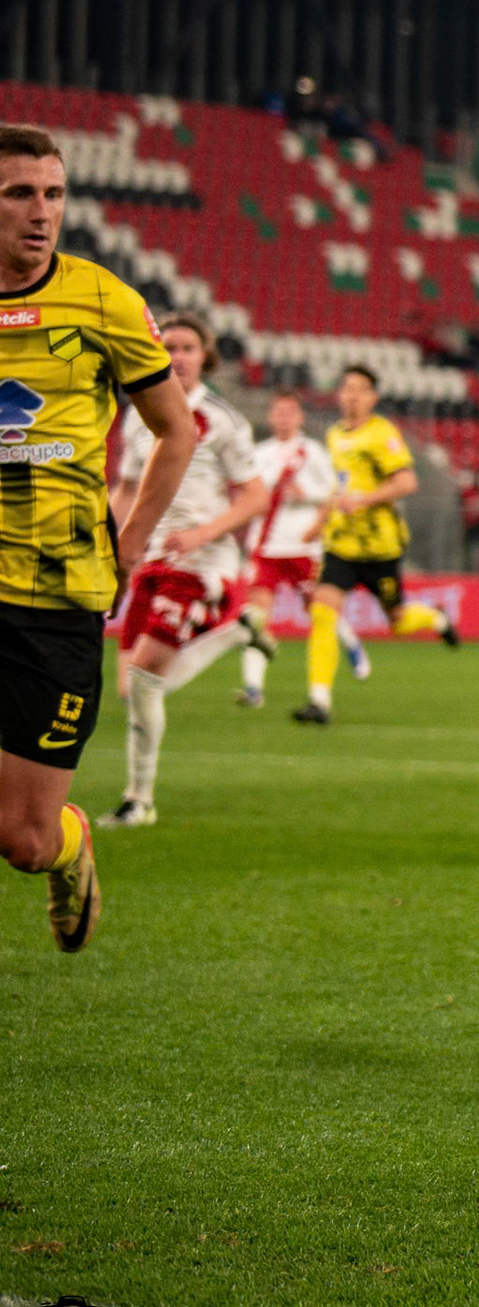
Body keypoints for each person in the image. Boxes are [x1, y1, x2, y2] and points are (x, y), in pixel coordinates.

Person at [0, 123, 195, 946]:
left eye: (53, 193)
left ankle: (70, 843)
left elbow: (176, 430)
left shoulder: (103, 299)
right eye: (19, 193)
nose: (41, 211)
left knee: (23, 839)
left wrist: (132, 540)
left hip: (56, 591)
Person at [96, 314, 279, 826]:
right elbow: (127, 489)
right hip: (152, 558)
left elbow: (256, 497)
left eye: (188, 348)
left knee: (145, 674)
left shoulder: (223, 420)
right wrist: (106, 543)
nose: (177, 356)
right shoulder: (138, 417)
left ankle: (139, 801)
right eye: (169, 347)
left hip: (202, 561)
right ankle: (237, 632)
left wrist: (203, 533)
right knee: (131, 688)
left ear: (205, 357)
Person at [293, 366, 459, 725]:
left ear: (373, 397)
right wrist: (318, 524)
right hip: (341, 545)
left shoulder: (382, 434)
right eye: (346, 388)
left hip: (380, 547)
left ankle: (437, 617)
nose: (351, 395)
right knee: (323, 613)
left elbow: (407, 482)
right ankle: (319, 701)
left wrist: (365, 500)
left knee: (397, 621)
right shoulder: (335, 435)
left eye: (360, 389)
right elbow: (338, 488)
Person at [228, 390, 370, 708]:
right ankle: (253, 689)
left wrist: (309, 500)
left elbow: (334, 490)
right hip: (266, 547)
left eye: (289, 413)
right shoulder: (259, 454)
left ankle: (351, 643)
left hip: (303, 547)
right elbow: (247, 494)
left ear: (299, 417)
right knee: (257, 617)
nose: (283, 418)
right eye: (278, 413)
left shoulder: (313, 452)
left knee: (320, 611)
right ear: (271, 417)